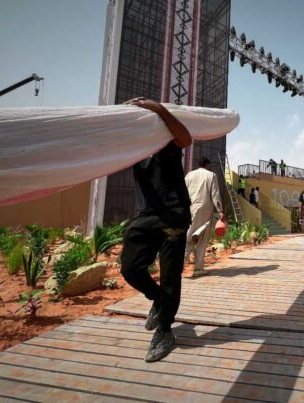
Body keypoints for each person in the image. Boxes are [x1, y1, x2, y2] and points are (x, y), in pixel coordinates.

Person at [119, 97, 192, 363]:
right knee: (130, 268)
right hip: (146, 215)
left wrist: (158, 109)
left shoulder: (167, 140)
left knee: (170, 276)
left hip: (173, 214)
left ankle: (165, 330)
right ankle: (159, 300)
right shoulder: (133, 147)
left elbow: (186, 139)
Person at [184, 157, 226, 278]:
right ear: (207, 165)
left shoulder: (189, 175)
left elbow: (183, 192)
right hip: (204, 210)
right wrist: (220, 211)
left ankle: (177, 267)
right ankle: (198, 268)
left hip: (190, 209)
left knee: (188, 237)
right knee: (202, 239)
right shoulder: (211, 175)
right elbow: (215, 195)